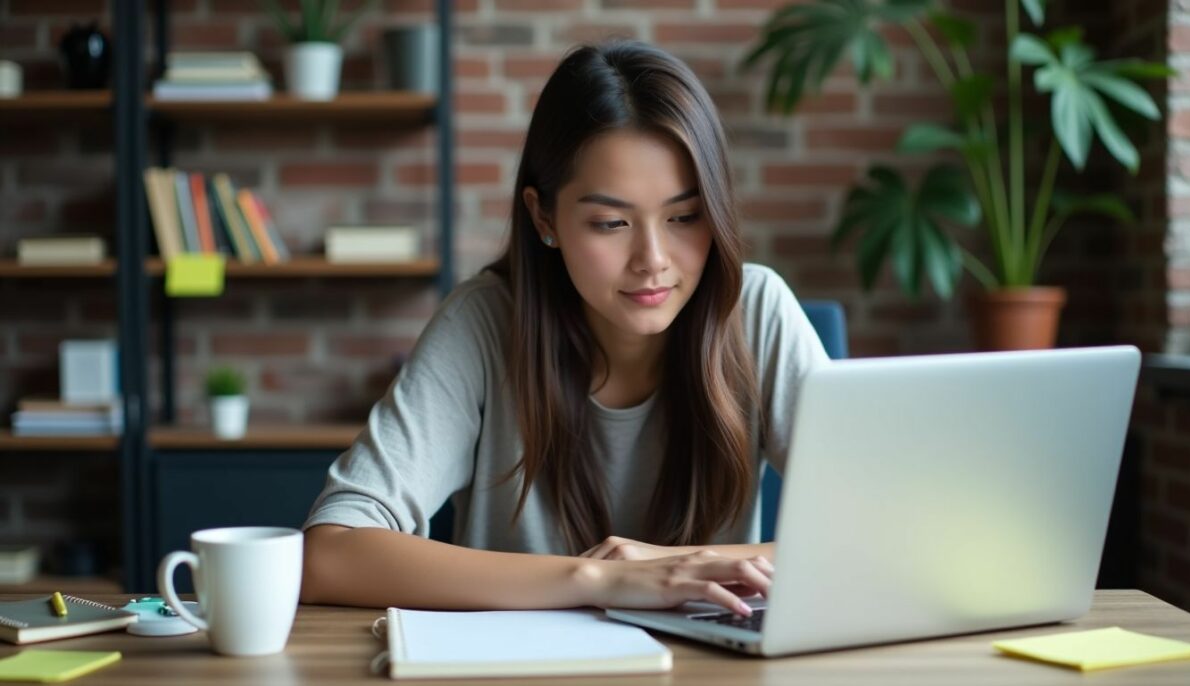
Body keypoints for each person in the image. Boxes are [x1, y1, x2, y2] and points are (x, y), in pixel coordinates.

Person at [300, 41, 829, 617]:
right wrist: (598, 579)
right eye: (610, 222)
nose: (653, 258)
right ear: (543, 216)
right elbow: (329, 553)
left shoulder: (757, 312)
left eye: (684, 217)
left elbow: (895, 535)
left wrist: (680, 566)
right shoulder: (483, 324)